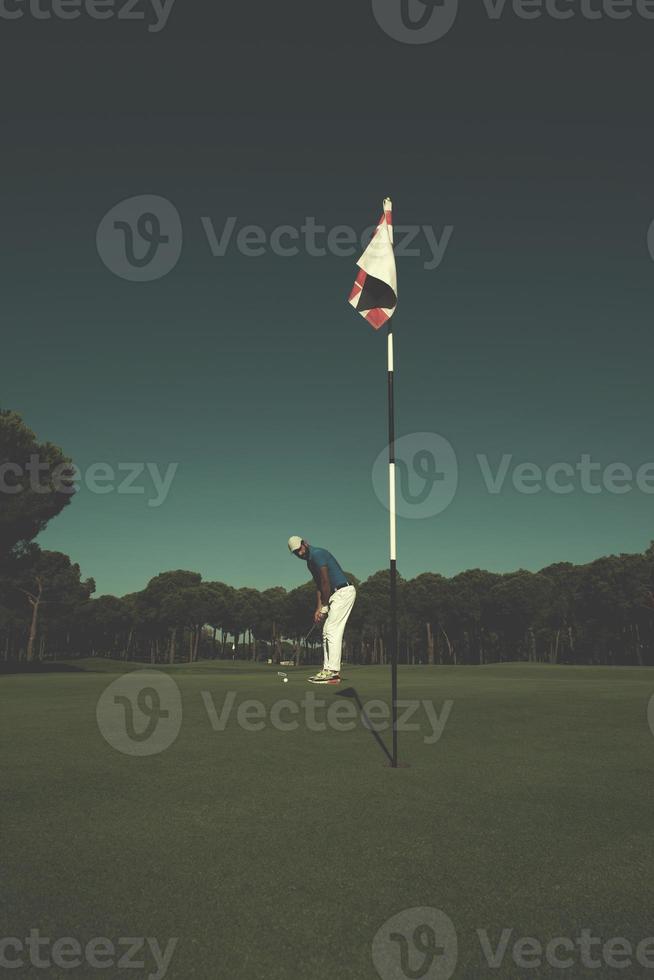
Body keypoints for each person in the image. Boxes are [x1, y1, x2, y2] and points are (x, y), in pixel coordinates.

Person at [287, 536, 356, 684]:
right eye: (295, 553)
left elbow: (326, 581)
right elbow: (319, 586)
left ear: (305, 543)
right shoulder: (309, 563)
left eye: (300, 549)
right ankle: (327, 669)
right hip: (335, 595)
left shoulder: (318, 554)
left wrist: (324, 607)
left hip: (344, 592)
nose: (299, 554)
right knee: (326, 631)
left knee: (332, 629)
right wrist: (318, 608)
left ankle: (333, 672)